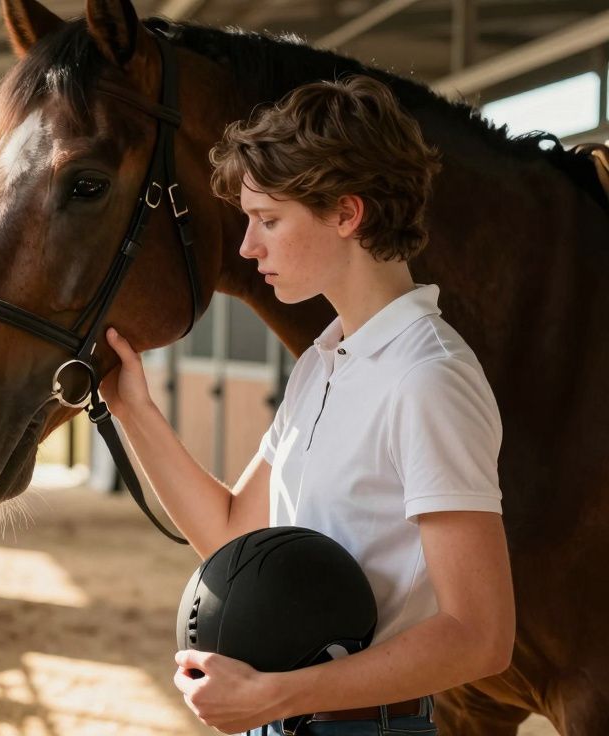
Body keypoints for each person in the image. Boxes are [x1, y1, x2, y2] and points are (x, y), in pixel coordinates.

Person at [99, 75, 514, 735]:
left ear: (347, 215)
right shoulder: (323, 363)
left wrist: (278, 696)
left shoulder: (427, 380)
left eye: (268, 220)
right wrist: (135, 413)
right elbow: (236, 536)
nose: (246, 246)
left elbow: (480, 635)